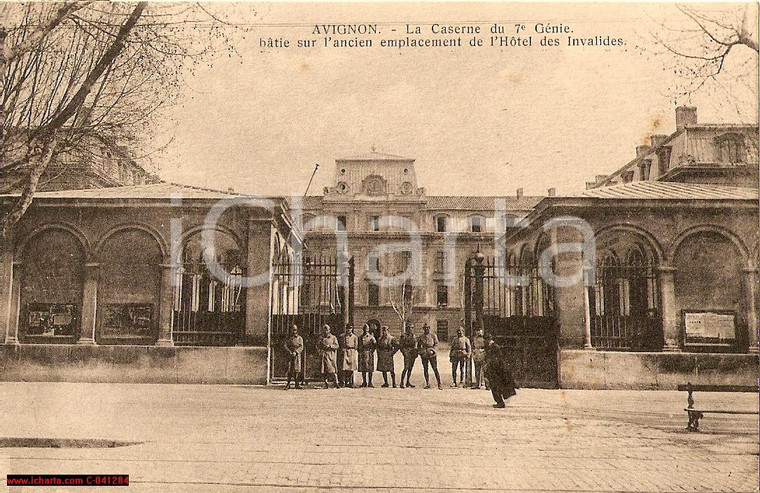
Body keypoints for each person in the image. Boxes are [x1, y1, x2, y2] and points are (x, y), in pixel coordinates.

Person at [483, 334, 517, 408]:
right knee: (495, 386)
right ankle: (499, 401)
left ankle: (500, 402)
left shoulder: (495, 347)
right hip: (494, 369)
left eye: (486, 340)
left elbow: (498, 359)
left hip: (497, 370)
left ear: (488, 340)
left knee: (495, 386)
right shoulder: (489, 347)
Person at [417, 323, 442, 390]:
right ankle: (427, 383)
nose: (426, 329)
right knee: (425, 369)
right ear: (423, 329)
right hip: (424, 354)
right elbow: (418, 347)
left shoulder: (433, 336)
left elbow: (436, 344)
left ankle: (439, 384)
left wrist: (433, 351)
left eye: (427, 328)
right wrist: (421, 353)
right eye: (425, 328)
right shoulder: (421, 337)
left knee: (435, 368)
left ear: (429, 328)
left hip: (432, 354)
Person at [317, 324, 340, 389]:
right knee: (324, 370)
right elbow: (318, 346)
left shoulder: (333, 337)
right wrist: (320, 352)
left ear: (329, 330)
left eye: (327, 330)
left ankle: (336, 383)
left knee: (332, 370)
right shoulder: (321, 338)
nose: (326, 331)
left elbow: (337, 346)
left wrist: (330, 346)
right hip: (324, 355)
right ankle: (326, 383)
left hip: (330, 355)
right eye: (324, 329)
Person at [284, 324, 304, 390]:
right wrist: (289, 351)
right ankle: (288, 383)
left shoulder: (299, 338)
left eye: (295, 330)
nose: (294, 331)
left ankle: (297, 384)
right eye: (293, 330)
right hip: (290, 355)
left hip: (297, 356)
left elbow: (301, 346)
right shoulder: (288, 338)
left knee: (297, 370)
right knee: (290, 369)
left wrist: (296, 352)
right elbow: (285, 345)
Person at [398, 322, 417, 388]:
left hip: (412, 354)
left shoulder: (413, 335)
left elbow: (415, 344)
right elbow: (401, 346)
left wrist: (415, 352)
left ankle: (407, 382)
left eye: (412, 328)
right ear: (407, 328)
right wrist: (404, 353)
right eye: (410, 328)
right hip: (407, 353)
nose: (411, 329)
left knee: (410, 368)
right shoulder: (403, 336)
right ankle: (401, 382)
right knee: (405, 368)